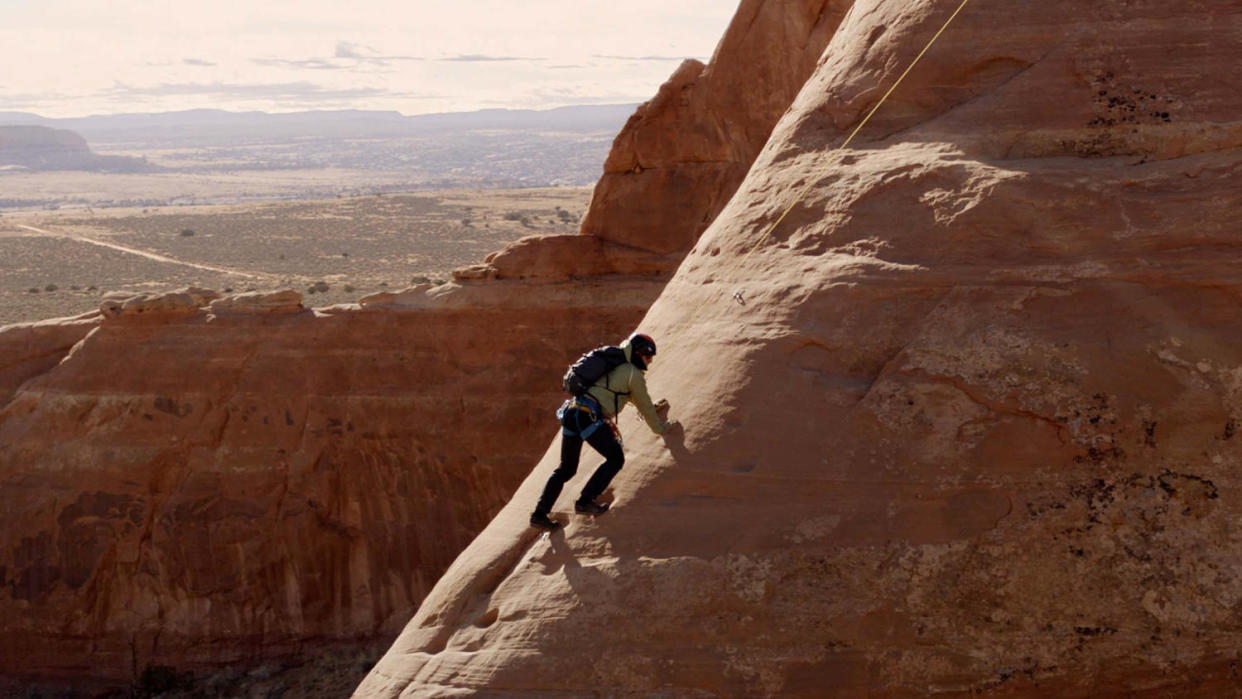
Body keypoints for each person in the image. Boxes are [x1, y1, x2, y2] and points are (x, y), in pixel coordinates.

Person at [530, 332, 676, 530]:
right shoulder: (633, 373)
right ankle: (585, 502)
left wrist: (652, 406)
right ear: (639, 354)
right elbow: (643, 404)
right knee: (616, 458)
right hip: (588, 416)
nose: (649, 362)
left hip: (572, 413)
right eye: (648, 357)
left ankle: (539, 514)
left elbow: (626, 397)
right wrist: (661, 428)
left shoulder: (615, 365)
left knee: (566, 469)